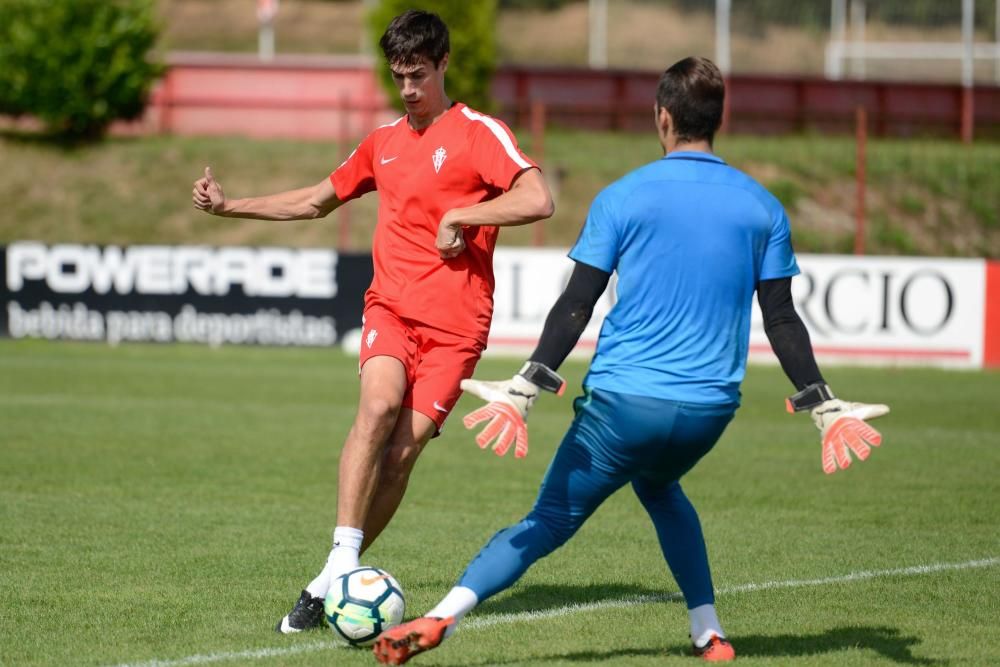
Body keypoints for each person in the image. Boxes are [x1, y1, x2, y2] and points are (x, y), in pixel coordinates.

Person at [371, 56, 889, 665]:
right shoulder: (762, 207)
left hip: (621, 408)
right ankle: (709, 634)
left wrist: (526, 385)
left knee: (546, 523)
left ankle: (440, 619)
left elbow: (576, 304)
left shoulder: (624, 195)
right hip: (708, 412)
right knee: (662, 485)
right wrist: (819, 401)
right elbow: (781, 318)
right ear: (718, 120)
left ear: (661, 117)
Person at [191, 10, 554, 634]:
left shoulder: (477, 133)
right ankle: (341, 563)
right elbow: (313, 200)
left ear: (443, 64)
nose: (408, 88)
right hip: (391, 307)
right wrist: (229, 207)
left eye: (418, 74)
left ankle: (333, 574)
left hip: (456, 329)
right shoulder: (382, 142)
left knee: (402, 454)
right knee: (378, 408)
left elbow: (537, 198)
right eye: (398, 76)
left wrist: (462, 215)